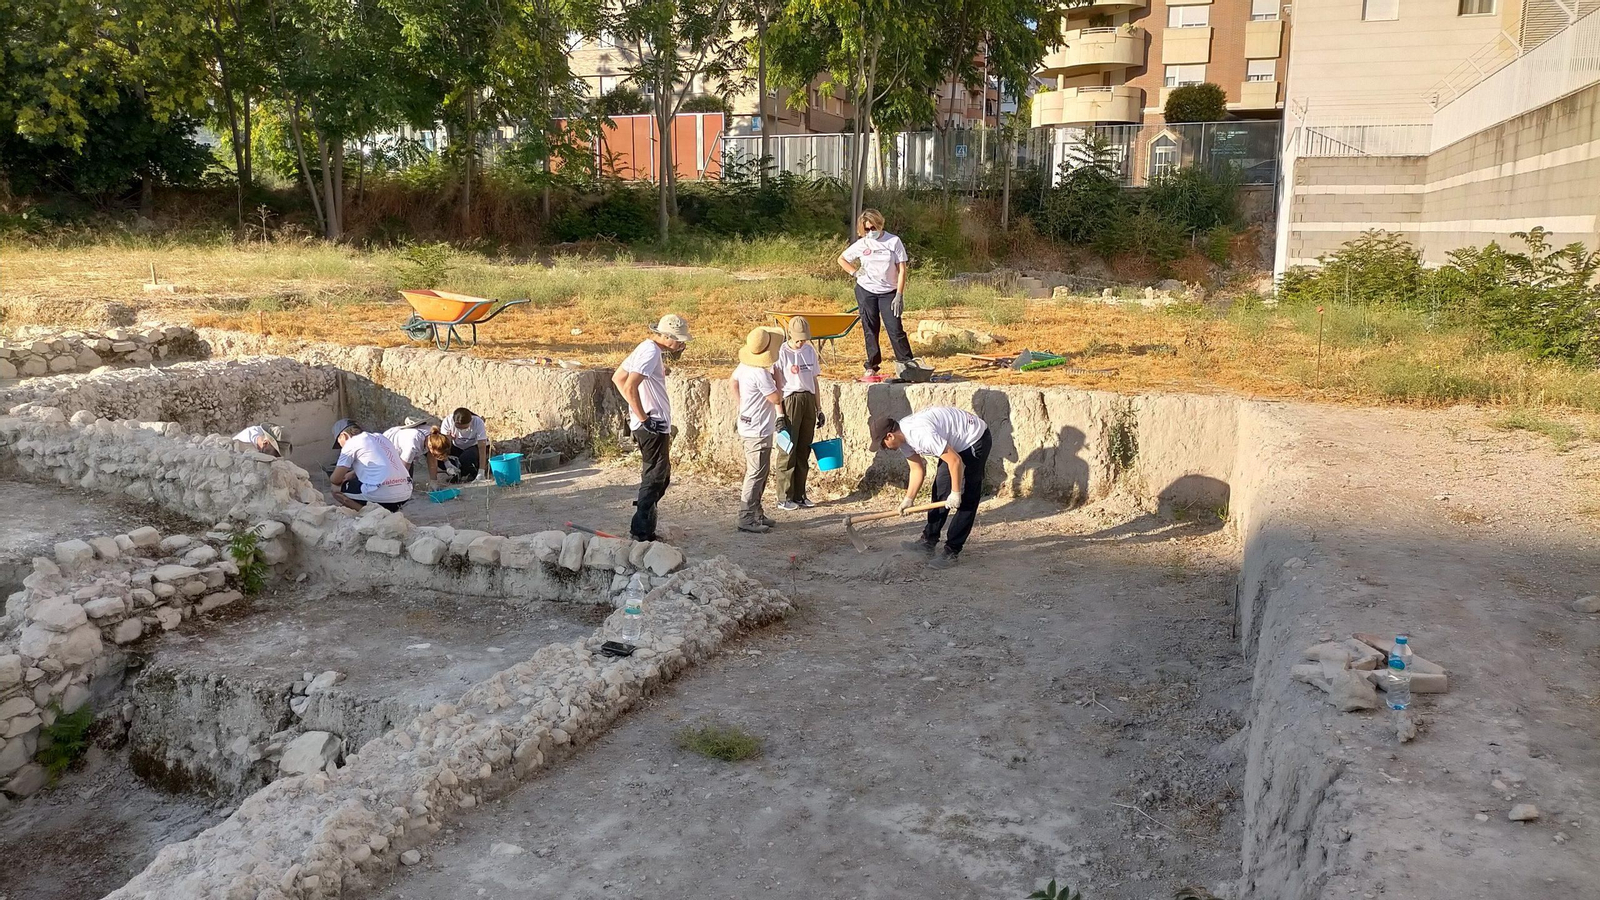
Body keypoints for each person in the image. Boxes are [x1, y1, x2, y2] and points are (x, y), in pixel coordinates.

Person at [869, 406, 993, 569]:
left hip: (974, 439)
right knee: (940, 489)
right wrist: (908, 499)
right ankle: (929, 540)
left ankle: (952, 551)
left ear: (890, 435)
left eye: (883, 444)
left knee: (967, 496)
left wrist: (955, 493)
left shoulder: (920, 435)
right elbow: (917, 469)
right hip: (955, 442)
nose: (885, 448)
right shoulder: (904, 439)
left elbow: (955, 461)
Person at [612, 312, 691, 542]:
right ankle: (642, 532)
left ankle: (644, 525)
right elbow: (628, 386)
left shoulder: (647, 348)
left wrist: (638, 415)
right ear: (667, 336)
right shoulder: (649, 352)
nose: (682, 344)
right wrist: (644, 418)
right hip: (651, 424)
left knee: (658, 475)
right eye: (679, 340)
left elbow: (617, 378)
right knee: (656, 477)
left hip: (648, 423)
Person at [838, 208, 920, 379]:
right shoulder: (863, 243)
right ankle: (872, 365)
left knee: (895, 328)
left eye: (873, 228)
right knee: (870, 328)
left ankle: (907, 363)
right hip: (866, 290)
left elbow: (902, 270)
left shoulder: (893, 241)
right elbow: (842, 259)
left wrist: (899, 294)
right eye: (866, 229)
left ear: (879, 224)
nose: (870, 232)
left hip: (888, 292)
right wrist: (854, 272)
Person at [729, 327, 786, 534]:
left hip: (751, 424)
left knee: (760, 472)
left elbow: (732, 382)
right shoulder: (760, 373)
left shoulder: (744, 366)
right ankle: (746, 516)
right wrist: (778, 378)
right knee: (756, 473)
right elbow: (776, 398)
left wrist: (740, 405)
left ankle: (755, 512)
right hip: (758, 429)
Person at [774, 317, 824, 511]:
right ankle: (783, 495)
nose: (801, 342)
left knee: (804, 448)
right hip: (790, 400)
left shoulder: (810, 351)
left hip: (808, 399)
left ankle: (800, 494)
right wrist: (780, 413)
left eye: (804, 339)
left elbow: (814, 380)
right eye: (798, 339)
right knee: (788, 449)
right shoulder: (781, 353)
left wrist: (818, 408)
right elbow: (778, 384)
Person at [329, 422, 413, 512]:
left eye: (339, 442)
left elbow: (335, 479)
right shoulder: (380, 437)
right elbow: (382, 465)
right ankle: (390, 512)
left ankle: (369, 514)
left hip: (383, 497)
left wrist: (337, 478)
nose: (341, 447)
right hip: (405, 494)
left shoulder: (351, 443)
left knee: (335, 489)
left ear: (344, 436)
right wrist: (352, 474)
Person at [383, 416, 444, 486]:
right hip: (387, 445)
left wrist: (433, 481)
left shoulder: (434, 436)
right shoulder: (412, 445)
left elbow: (432, 459)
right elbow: (404, 469)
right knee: (398, 480)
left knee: (407, 479)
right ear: (430, 447)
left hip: (404, 445)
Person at [441, 407, 490, 483]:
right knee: (437, 455)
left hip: (474, 446)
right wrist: (447, 463)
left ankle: (475, 472)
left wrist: (481, 471)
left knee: (466, 458)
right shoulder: (447, 421)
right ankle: (456, 473)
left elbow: (482, 447)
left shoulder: (478, 422)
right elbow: (444, 445)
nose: (461, 430)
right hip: (457, 446)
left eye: (464, 428)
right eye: (458, 428)